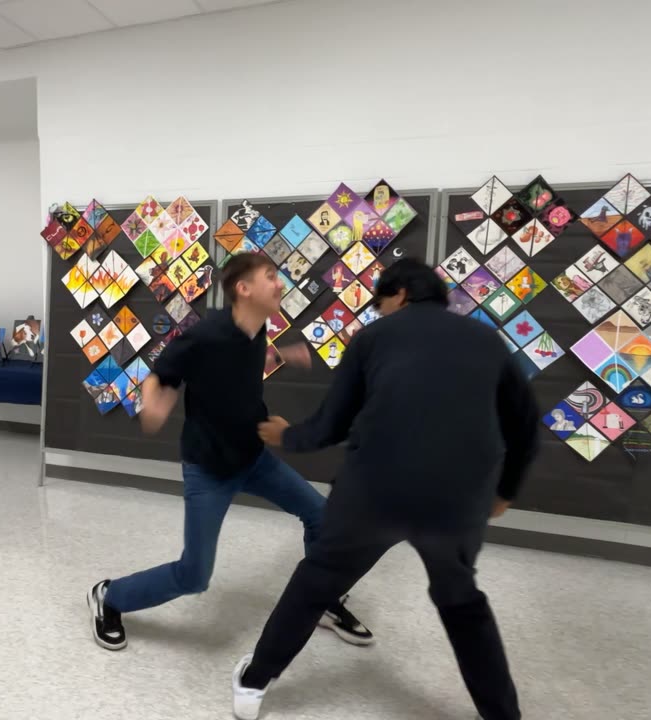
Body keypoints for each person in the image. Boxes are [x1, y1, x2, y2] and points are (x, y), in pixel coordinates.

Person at [230, 258, 539, 720]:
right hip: (457, 498)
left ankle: (253, 685)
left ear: (397, 295)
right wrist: (506, 491)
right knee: (462, 602)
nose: (378, 313)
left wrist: (287, 436)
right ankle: (503, 715)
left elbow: (333, 422)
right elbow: (526, 424)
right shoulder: (485, 340)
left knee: (317, 581)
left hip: (374, 489)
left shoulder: (373, 337)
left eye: (378, 304)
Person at [88, 252, 374, 652]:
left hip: (254, 458)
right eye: (270, 276)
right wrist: (153, 404)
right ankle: (110, 596)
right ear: (243, 288)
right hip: (209, 469)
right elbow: (162, 374)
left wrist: (279, 356)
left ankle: (321, 600)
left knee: (321, 518)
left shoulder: (256, 330)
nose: (280, 284)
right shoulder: (206, 335)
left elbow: (234, 369)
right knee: (194, 575)